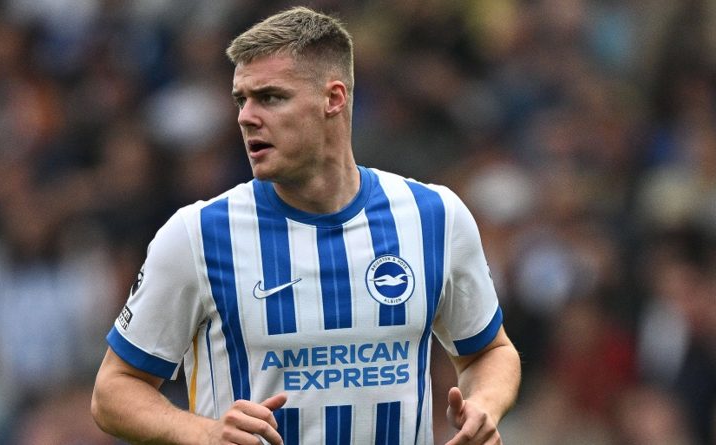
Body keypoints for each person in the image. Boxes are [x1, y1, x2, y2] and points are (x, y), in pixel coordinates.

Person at [91, 6, 521, 445]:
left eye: (270, 97)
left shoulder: (435, 217)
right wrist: (204, 433)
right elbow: (113, 390)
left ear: (333, 99)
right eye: (242, 99)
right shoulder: (198, 235)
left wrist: (484, 406)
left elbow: (490, 351)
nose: (246, 116)